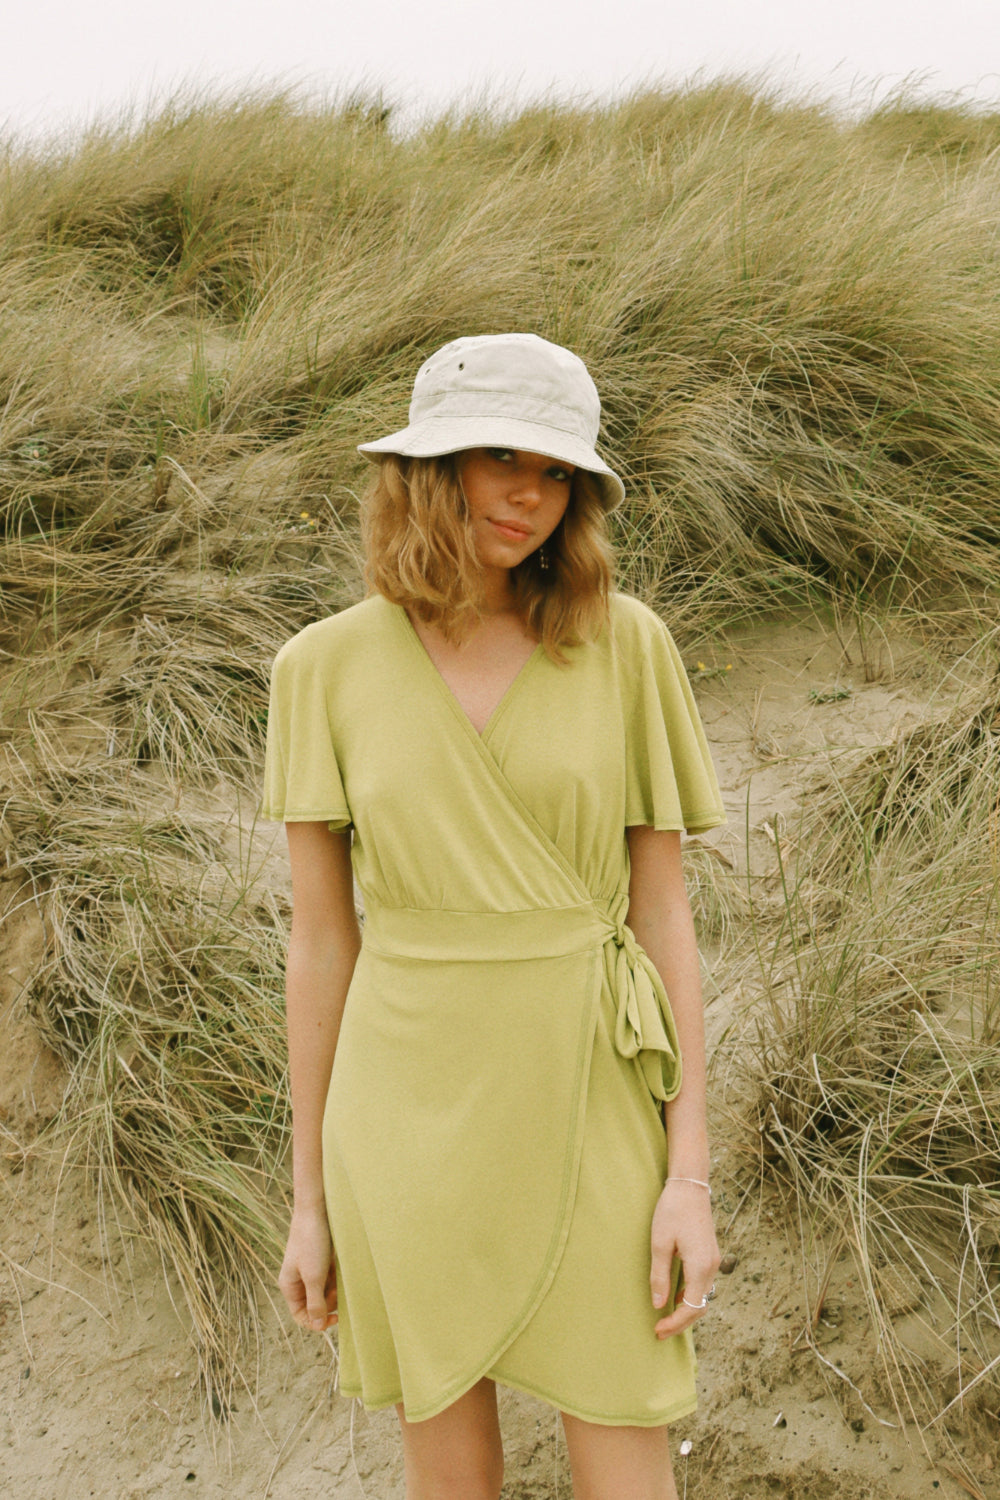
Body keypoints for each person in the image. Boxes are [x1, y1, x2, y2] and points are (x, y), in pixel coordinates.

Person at [262, 332, 726, 1500]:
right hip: (403, 1107)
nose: (530, 491)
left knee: (625, 1444)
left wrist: (688, 1177)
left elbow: (664, 915)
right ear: (430, 470)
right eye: (498, 456)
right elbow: (322, 943)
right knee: (448, 1475)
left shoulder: (625, 645)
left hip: (586, 1084)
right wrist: (309, 1199)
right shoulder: (320, 668)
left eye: (558, 469)